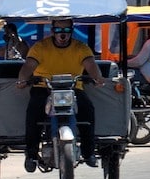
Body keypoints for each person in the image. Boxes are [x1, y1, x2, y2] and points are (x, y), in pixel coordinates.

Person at [17, 17, 106, 171]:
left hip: (72, 88)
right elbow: (28, 66)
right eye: (59, 30)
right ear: (53, 31)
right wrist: (23, 79)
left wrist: (97, 78)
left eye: (66, 30)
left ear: (71, 31)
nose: (62, 34)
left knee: (87, 109)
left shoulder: (81, 48)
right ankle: (31, 155)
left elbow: (91, 65)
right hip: (44, 87)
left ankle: (89, 152)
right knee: (33, 112)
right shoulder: (40, 47)